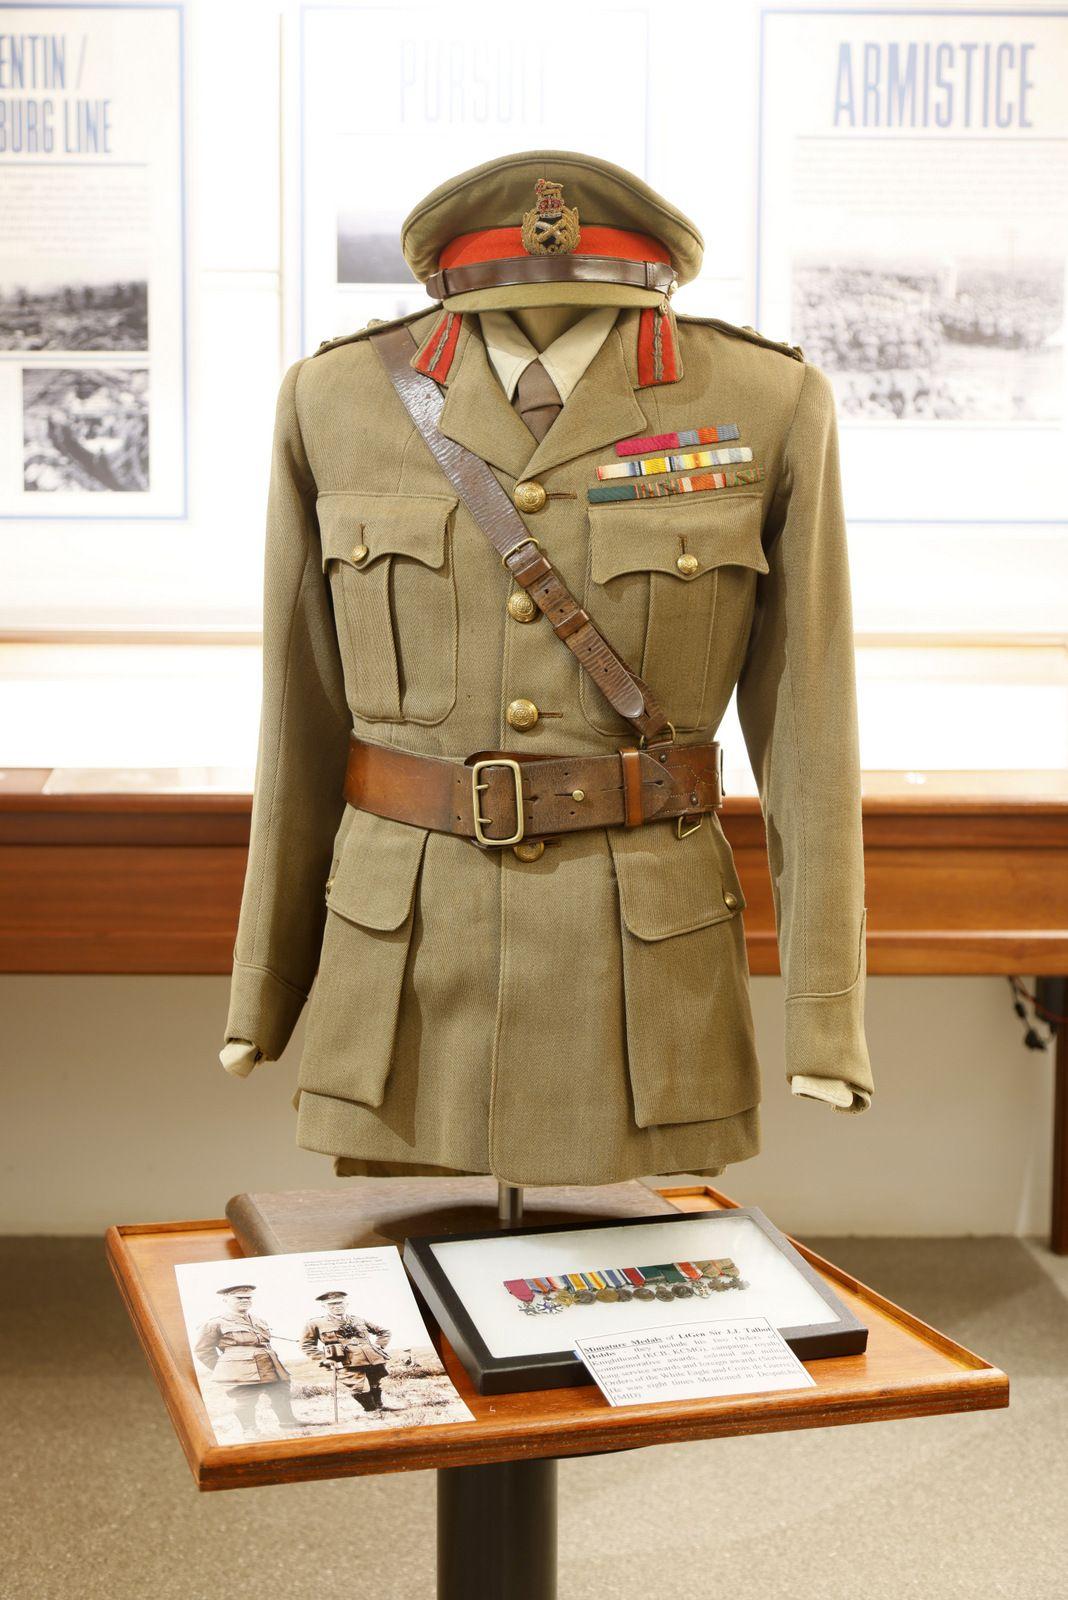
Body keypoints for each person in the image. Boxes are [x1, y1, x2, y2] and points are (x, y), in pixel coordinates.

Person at [193, 1283, 306, 1437]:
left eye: (248, 1298)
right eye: (239, 1298)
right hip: (240, 1369)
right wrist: (225, 1369)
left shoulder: (259, 1320)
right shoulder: (215, 1323)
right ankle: (249, 1429)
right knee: (245, 1399)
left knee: (281, 1391)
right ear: (226, 1299)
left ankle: (288, 1422)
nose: (245, 1300)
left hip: (269, 1363)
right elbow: (203, 1350)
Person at [300, 1289, 393, 1415]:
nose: (337, 1306)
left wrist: (378, 1346)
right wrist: (324, 1359)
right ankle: (371, 1411)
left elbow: (384, 1332)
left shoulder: (358, 1320)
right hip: (344, 1361)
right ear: (324, 1306)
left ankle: (379, 1407)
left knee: (375, 1383)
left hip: (372, 1359)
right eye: (332, 1304)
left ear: (346, 1304)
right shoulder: (315, 1323)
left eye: (340, 1303)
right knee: (359, 1387)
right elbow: (306, 1345)